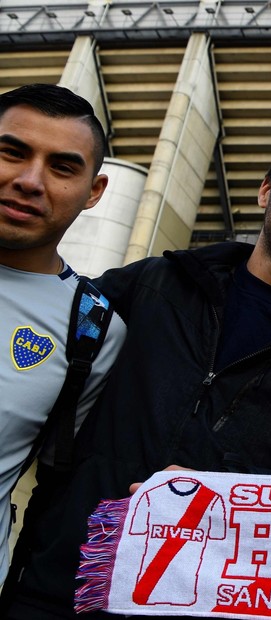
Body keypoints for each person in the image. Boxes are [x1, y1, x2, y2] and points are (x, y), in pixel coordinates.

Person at [1, 127, 271, 618]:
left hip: (209, 604)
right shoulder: (155, 283)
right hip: (58, 584)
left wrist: (232, 496)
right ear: (267, 190)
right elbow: (40, 320)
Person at [0, 84, 126, 581]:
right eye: (12, 153)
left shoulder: (93, 328)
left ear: (93, 192)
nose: (31, 181)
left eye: (62, 167)